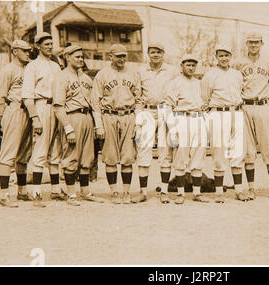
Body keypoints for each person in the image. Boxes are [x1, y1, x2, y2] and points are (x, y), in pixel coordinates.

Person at [52, 44, 104, 206]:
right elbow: (58, 106)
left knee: (87, 157)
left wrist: (96, 124)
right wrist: (68, 128)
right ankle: (71, 193)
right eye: (77, 57)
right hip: (71, 116)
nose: (81, 60)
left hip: (87, 116)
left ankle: (85, 191)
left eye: (82, 57)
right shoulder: (61, 77)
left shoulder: (86, 78)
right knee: (71, 157)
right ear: (67, 57)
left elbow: (94, 102)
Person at [92, 44, 141, 204]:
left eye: (124, 56)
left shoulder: (133, 73)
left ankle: (126, 192)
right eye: (118, 56)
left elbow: (139, 99)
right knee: (110, 156)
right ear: (110, 57)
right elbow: (96, 102)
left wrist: (138, 122)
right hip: (109, 116)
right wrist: (98, 124)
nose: (121, 59)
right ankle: (114, 192)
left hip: (128, 115)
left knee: (128, 156)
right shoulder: (102, 74)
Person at [233, 32, 269, 200]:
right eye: (250, 42)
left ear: (262, 43)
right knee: (249, 150)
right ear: (246, 44)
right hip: (245, 106)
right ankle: (251, 188)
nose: (253, 45)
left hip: (263, 105)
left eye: (256, 42)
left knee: (268, 148)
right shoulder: (238, 63)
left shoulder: (268, 62)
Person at [201, 44, 247, 203]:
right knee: (219, 153)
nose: (224, 58)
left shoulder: (237, 74)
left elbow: (241, 92)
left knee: (237, 152)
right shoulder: (210, 75)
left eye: (227, 55)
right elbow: (205, 98)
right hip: (218, 113)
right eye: (221, 55)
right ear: (216, 57)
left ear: (231, 57)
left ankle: (239, 190)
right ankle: (219, 192)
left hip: (236, 112)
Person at [22, 32, 63, 207]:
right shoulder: (32, 66)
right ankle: (37, 192)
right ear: (38, 46)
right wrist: (35, 118)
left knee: (56, 151)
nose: (49, 46)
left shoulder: (56, 66)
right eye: (46, 44)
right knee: (40, 149)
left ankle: (56, 190)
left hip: (57, 107)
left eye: (51, 44)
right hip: (41, 106)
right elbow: (27, 95)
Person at [136, 42, 179, 204]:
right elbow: (138, 95)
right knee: (143, 150)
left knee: (165, 151)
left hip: (165, 110)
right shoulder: (141, 71)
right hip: (147, 110)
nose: (155, 55)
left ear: (163, 53)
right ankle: (143, 191)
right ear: (148, 54)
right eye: (152, 52)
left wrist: (172, 115)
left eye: (158, 52)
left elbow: (177, 92)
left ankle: (164, 191)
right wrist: (138, 116)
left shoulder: (172, 71)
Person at [163, 54, 210, 204]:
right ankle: (180, 193)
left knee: (198, 157)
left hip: (198, 119)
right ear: (181, 66)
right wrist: (172, 127)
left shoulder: (200, 83)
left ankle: (197, 193)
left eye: (193, 65)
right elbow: (167, 106)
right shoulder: (175, 83)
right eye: (188, 65)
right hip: (181, 119)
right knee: (181, 158)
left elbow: (206, 103)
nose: (190, 68)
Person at [0, 39, 34, 207]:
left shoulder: (29, 69)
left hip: (29, 112)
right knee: (9, 153)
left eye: (28, 51)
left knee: (24, 154)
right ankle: (4, 195)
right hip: (14, 109)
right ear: (15, 51)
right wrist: (4, 118)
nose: (28, 53)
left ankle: (22, 191)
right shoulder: (8, 70)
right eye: (24, 50)